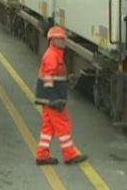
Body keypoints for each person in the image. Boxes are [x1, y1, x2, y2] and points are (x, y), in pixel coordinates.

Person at [34, 26, 88, 166]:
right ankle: (70, 155)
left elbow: (55, 76)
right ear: (53, 40)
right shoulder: (52, 55)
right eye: (61, 39)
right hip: (53, 99)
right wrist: (53, 99)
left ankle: (42, 154)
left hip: (48, 98)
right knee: (64, 125)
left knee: (48, 128)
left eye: (64, 38)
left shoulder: (55, 53)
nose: (64, 41)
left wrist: (67, 79)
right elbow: (48, 79)